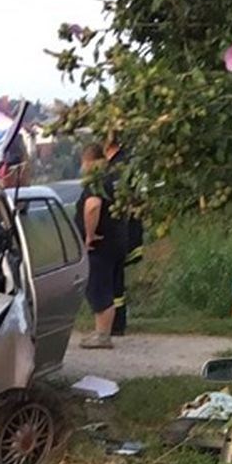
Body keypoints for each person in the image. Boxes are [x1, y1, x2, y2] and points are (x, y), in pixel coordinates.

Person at [75, 144, 127, 349]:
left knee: (99, 287)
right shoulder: (114, 180)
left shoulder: (95, 183)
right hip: (117, 239)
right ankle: (102, 331)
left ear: (89, 162)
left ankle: (102, 335)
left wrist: (89, 234)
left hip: (100, 243)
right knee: (110, 286)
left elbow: (93, 206)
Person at [104, 135, 143, 336]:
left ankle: (115, 325)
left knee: (113, 281)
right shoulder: (126, 163)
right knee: (117, 280)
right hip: (126, 231)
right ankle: (118, 322)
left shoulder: (117, 168)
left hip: (120, 232)